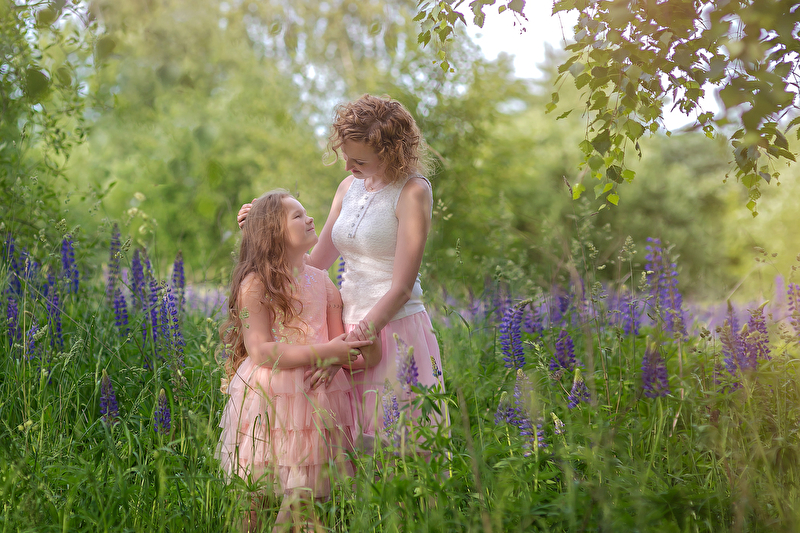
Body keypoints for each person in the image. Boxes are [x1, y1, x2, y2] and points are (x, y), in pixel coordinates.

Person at [238, 94, 445, 445]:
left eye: (359, 160)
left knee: (397, 447)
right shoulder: (348, 187)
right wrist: (264, 228)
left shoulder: (413, 191)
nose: (348, 166)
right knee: (349, 449)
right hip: (341, 328)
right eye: (346, 156)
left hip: (392, 328)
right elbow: (314, 264)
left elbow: (401, 287)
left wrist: (350, 345)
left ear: (391, 152)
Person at [217, 190, 378, 533]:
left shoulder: (324, 284)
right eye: (298, 216)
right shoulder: (255, 284)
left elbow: (340, 349)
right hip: (267, 399)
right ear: (273, 232)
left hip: (318, 400)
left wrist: (365, 352)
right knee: (254, 498)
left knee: (303, 500)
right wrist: (325, 352)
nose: (310, 219)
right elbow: (261, 350)